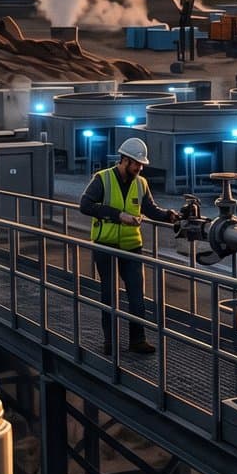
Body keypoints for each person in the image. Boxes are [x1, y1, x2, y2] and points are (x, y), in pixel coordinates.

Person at [78, 137, 180, 356]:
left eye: (141, 164)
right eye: (136, 163)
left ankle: (138, 340)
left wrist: (169, 216)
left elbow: (150, 209)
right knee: (109, 296)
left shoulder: (141, 183)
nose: (140, 168)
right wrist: (118, 215)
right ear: (124, 160)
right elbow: (85, 205)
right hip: (105, 246)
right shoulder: (102, 179)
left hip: (132, 246)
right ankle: (110, 343)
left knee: (136, 296)